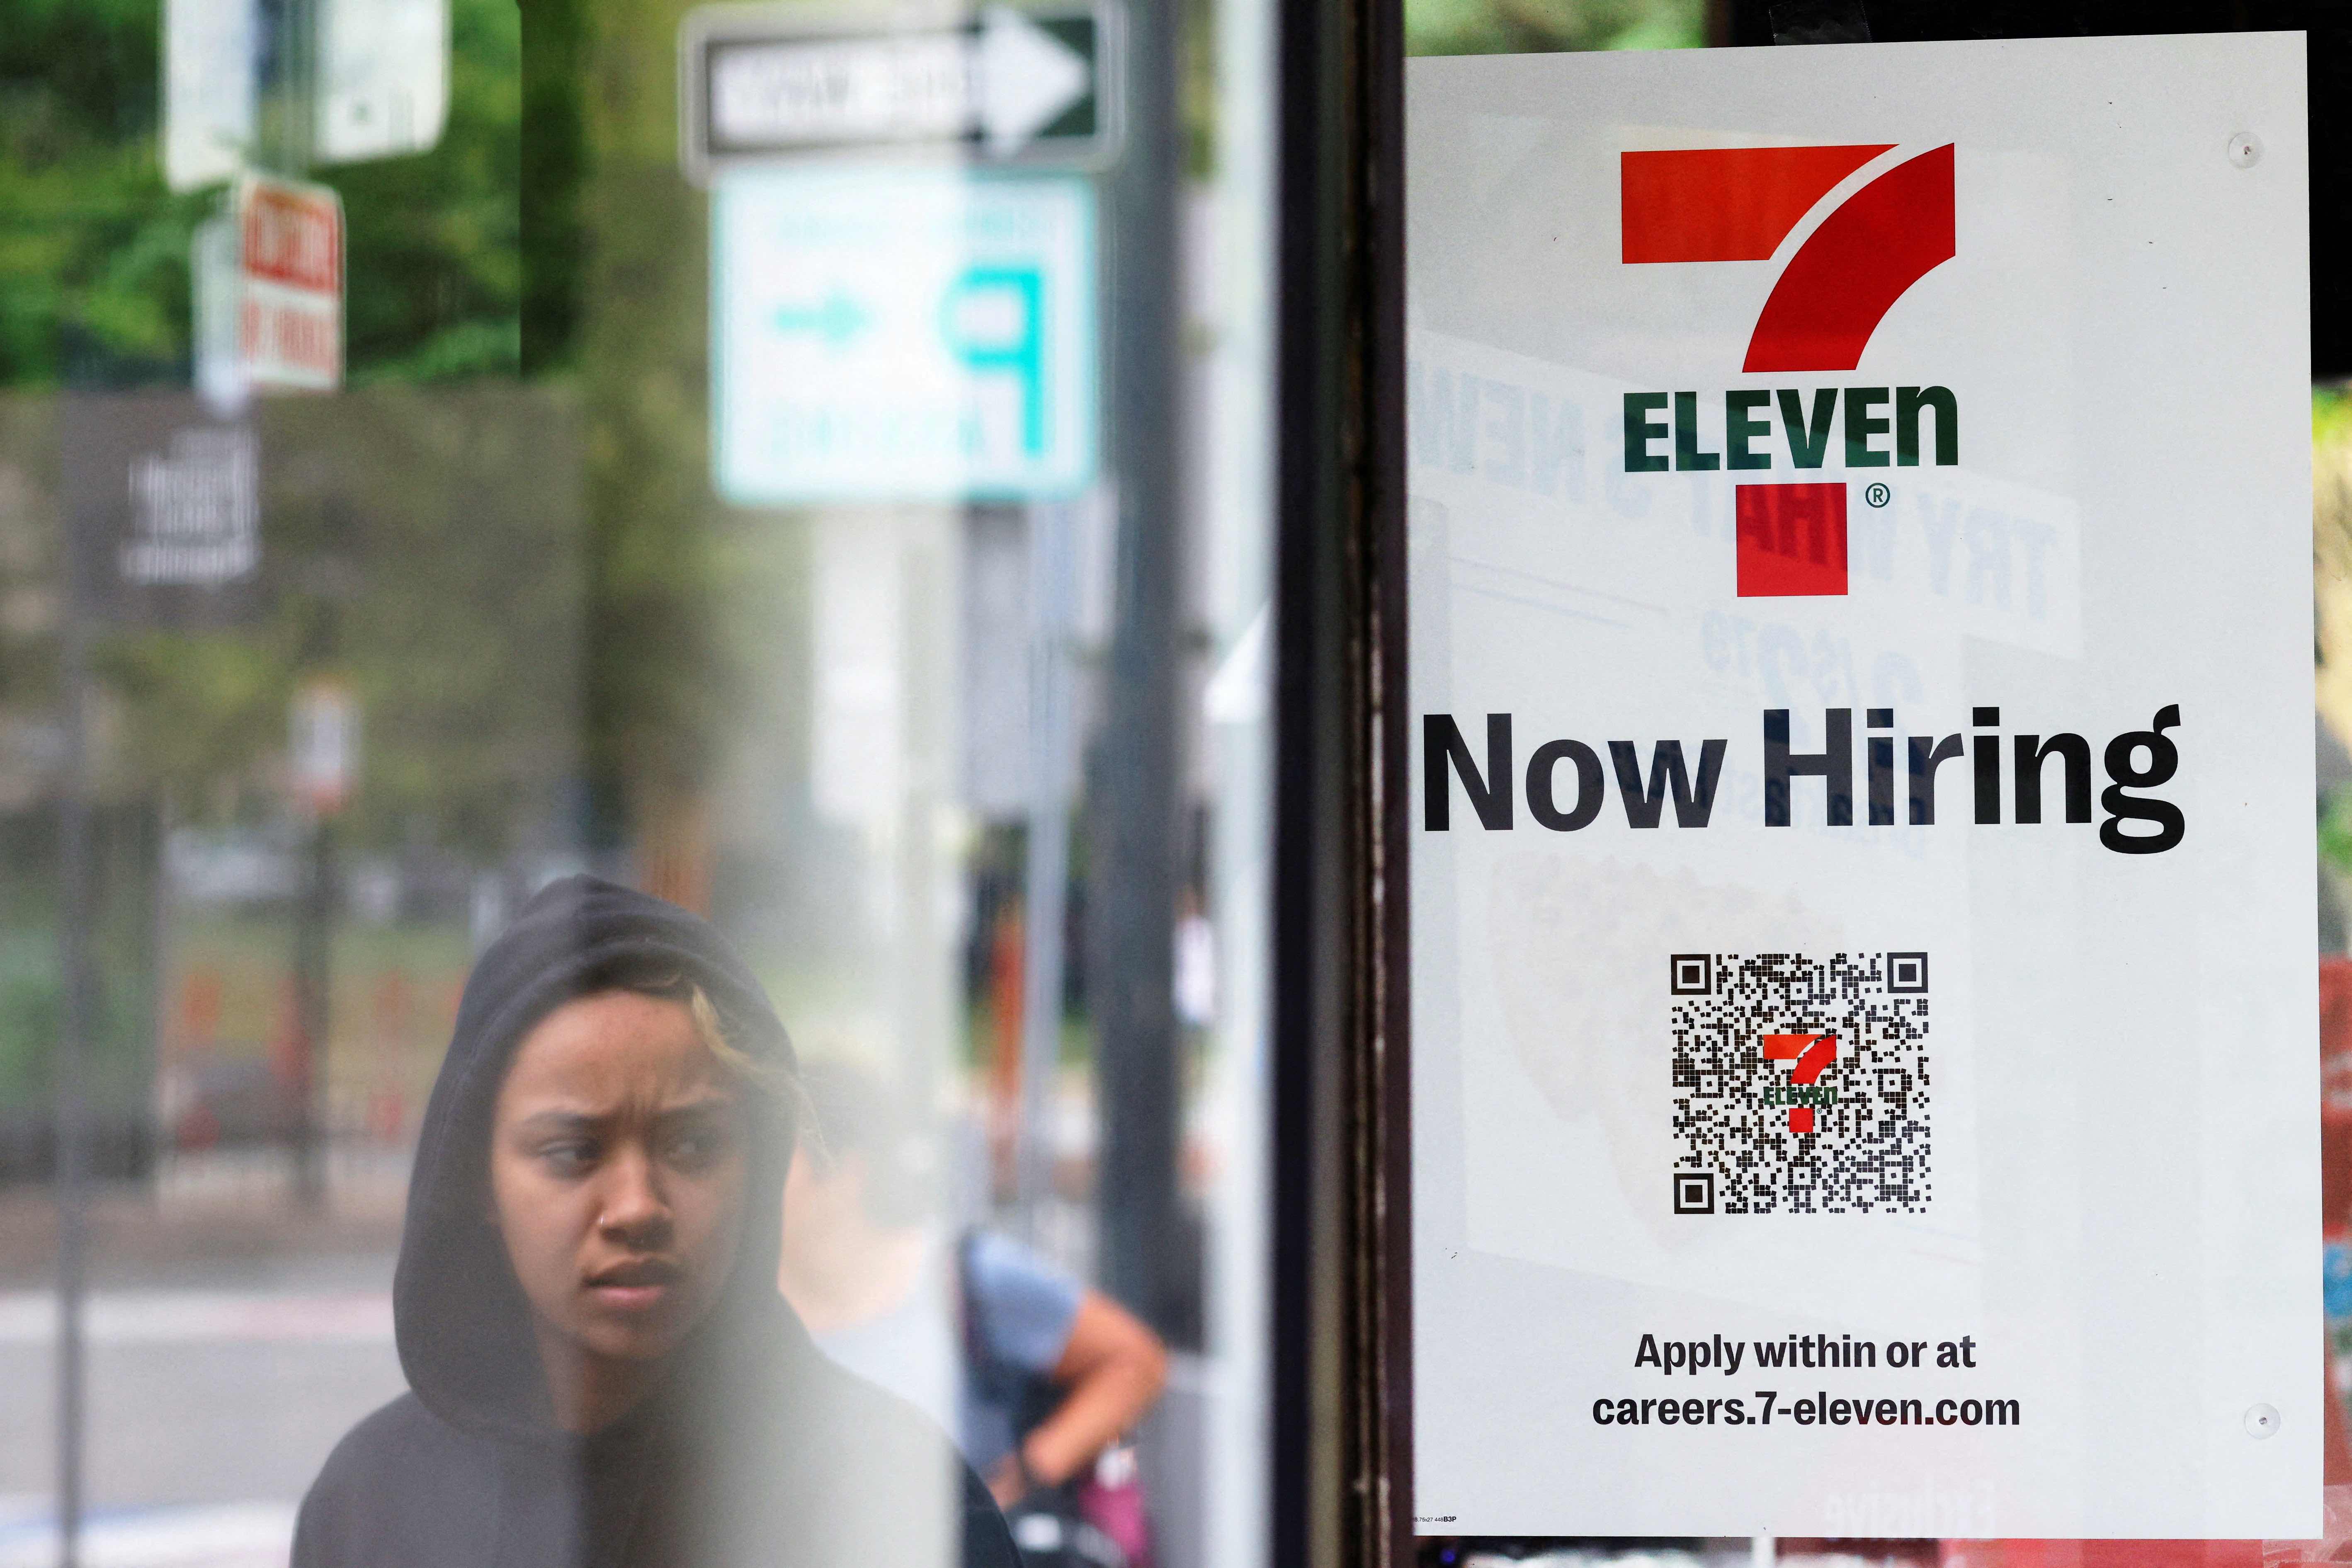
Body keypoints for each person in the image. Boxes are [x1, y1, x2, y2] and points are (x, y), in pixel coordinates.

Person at [293, 875, 1018, 1568]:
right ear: (478, 1176)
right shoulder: (371, 1501)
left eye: (693, 1145)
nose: (637, 1206)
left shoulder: (895, 1503)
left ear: (758, 1164)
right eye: (571, 1151)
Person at [775, 1062, 1169, 1520]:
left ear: (846, 1171)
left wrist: (1026, 1476)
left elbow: (1136, 1360)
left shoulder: (963, 1278)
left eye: (778, 1158)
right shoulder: (750, 1304)